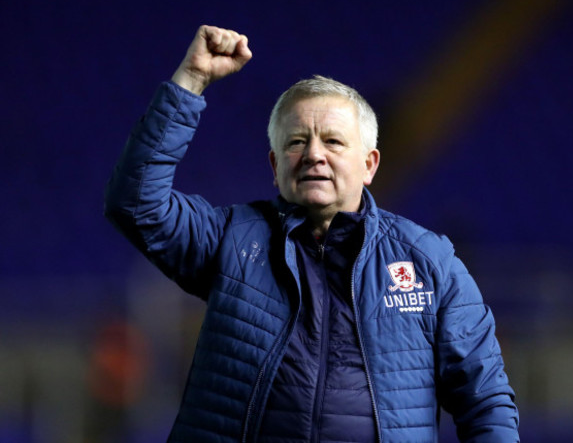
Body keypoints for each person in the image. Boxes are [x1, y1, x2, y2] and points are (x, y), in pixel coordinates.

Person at [105, 25, 519, 443]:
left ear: (370, 165)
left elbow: (485, 402)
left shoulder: (429, 261)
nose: (314, 154)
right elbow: (135, 203)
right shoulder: (230, 238)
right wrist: (190, 82)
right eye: (297, 141)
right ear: (275, 165)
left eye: (334, 142)